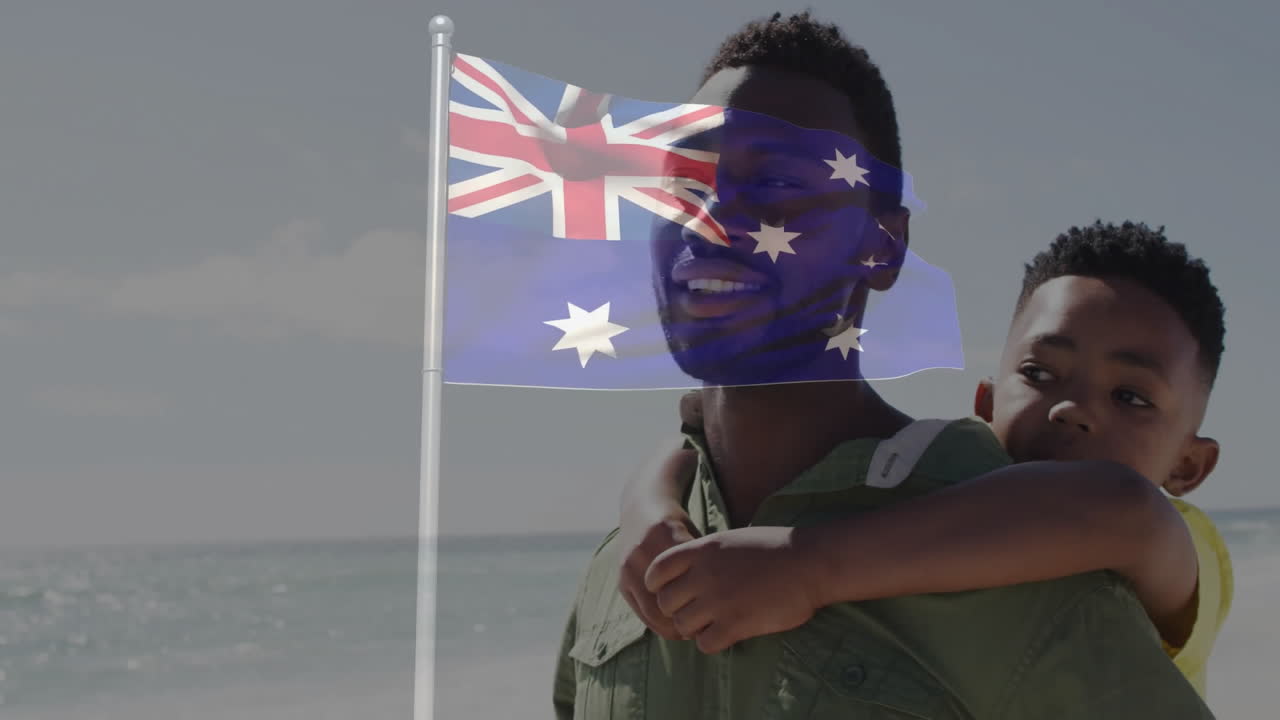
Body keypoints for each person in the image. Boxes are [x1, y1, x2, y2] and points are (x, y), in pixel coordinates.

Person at [553, 12, 1215, 719]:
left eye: (776, 186)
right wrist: (650, 497)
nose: (712, 216)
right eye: (685, 182)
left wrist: (809, 563)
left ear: (881, 246)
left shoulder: (1019, 561)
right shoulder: (621, 568)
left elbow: (1127, 512)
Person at [618, 221, 1233, 700]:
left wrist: (805, 566)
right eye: (1040, 373)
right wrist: (650, 512)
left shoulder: (1181, 538)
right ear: (985, 404)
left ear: (1188, 467)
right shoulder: (956, 485)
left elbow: (1117, 509)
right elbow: (698, 423)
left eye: (1130, 397)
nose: (1071, 410)